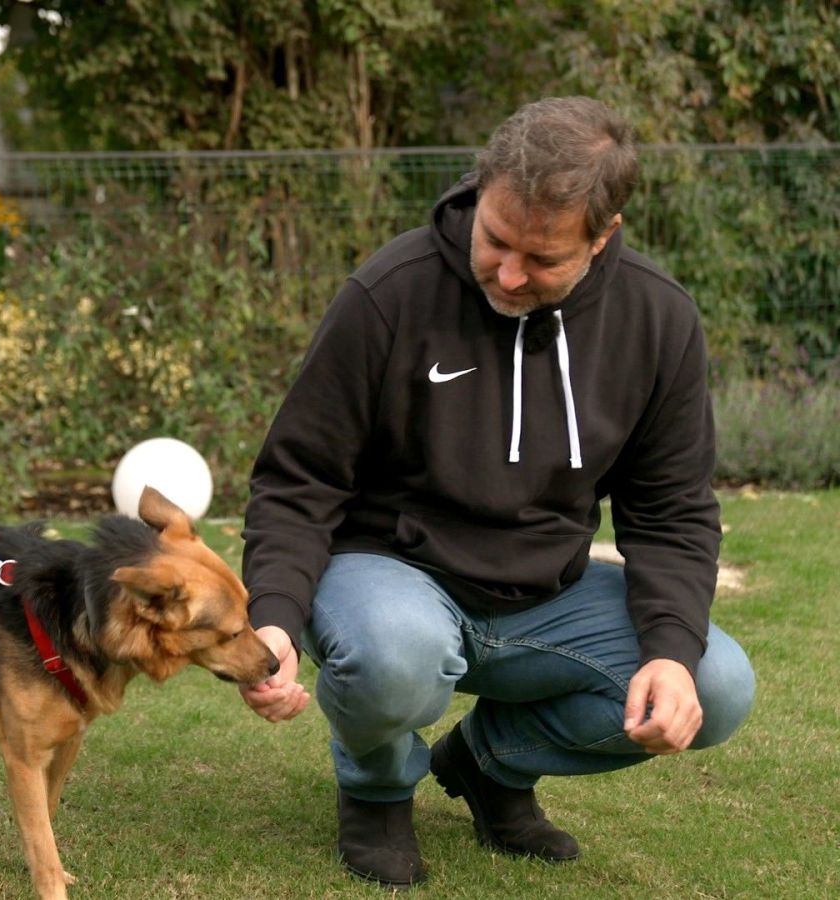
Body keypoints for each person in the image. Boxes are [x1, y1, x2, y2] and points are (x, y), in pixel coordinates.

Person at [237, 96, 755, 888]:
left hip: (547, 596)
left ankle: (488, 765)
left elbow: (673, 513)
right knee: (396, 654)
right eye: (495, 240)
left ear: (602, 236)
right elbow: (298, 478)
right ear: (481, 192)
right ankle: (377, 789)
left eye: (541, 259)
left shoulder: (659, 321)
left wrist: (672, 654)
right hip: (392, 574)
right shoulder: (391, 292)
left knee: (713, 684)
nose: (508, 274)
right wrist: (272, 617)